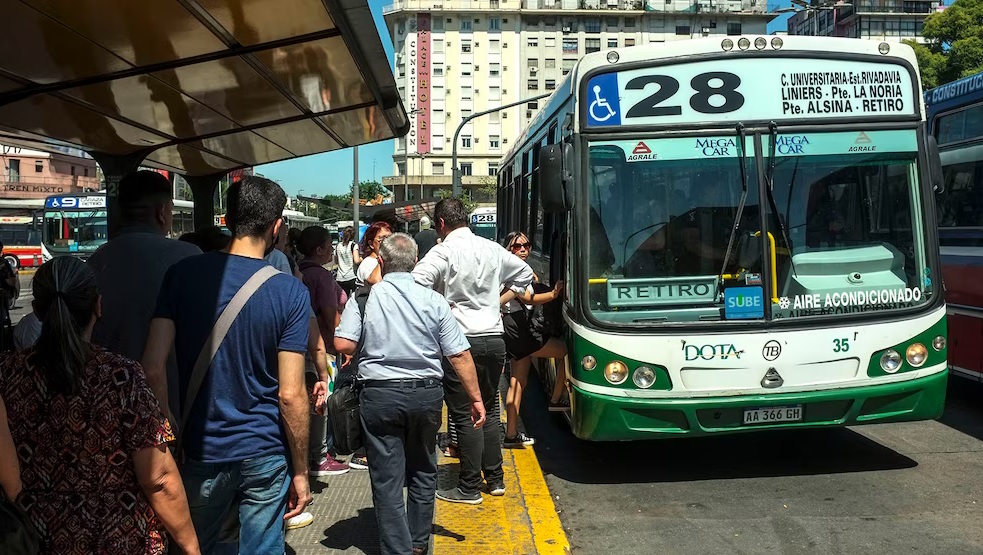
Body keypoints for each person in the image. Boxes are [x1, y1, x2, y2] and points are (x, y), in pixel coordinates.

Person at [142, 176, 313, 555]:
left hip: (201, 447)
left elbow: (151, 368)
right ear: (276, 227)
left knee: (194, 546)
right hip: (265, 451)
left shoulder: (181, 275)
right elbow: (290, 394)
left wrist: (168, 422)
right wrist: (301, 470)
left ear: (228, 219)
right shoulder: (290, 292)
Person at [0, 257, 200, 555]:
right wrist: (191, 547)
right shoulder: (121, 377)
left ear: (37, 310)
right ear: (98, 306)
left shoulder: (7, 373)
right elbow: (158, 478)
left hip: (34, 537)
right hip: (121, 539)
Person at [334, 233, 486, 555]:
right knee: (423, 469)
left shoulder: (365, 298)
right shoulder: (434, 300)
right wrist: (475, 398)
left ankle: (397, 549)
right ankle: (418, 544)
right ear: (415, 262)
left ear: (382, 262)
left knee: (387, 479)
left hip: (379, 396)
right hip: (425, 395)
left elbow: (343, 343)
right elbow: (459, 354)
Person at [413, 198, 535, 504]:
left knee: (464, 413)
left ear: (441, 223)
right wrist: (495, 301)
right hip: (494, 338)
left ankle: (468, 487)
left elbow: (417, 284)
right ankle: (495, 479)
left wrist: (443, 304)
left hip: (459, 342)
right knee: (489, 408)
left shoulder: (443, 251)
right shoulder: (492, 248)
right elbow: (524, 275)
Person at [87, 170, 201, 421]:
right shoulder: (189, 258)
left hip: (106, 411)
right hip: (174, 409)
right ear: (162, 212)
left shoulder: (95, 262)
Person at [499, 233, 569, 448]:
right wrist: (554, 294)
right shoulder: (514, 271)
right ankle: (556, 400)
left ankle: (511, 434)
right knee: (565, 351)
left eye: (527, 245)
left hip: (513, 325)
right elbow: (528, 298)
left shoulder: (510, 267)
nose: (523, 249)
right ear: (508, 248)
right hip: (520, 328)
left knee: (517, 381)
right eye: (517, 246)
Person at [296, 225, 352, 475]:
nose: (332, 251)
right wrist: (344, 341)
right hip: (323, 346)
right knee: (323, 400)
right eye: (329, 246)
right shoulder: (322, 276)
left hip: (300, 344)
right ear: (319, 250)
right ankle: (321, 455)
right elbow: (331, 315)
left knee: (308, 400)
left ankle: (309, 453)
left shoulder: (298, 271)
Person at [356, 221, 392, 287]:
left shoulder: (390, 261)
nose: (387, 242)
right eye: (383, 238)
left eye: (391, 238)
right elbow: (376, 283)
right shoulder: (368, 263)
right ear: (371, 244)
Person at [335, 226, 358, 295]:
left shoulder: (338, 246)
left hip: (340, 277)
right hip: (352, 276)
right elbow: (356, 260)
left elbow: (336, 261)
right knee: (354, 297)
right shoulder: (353, 245)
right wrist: (362, 259)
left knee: (342, 298)